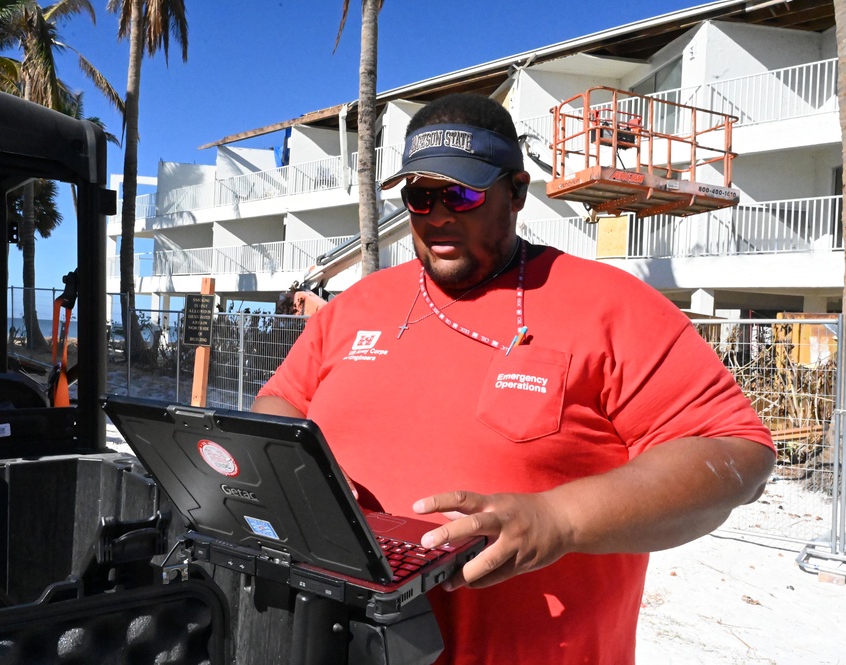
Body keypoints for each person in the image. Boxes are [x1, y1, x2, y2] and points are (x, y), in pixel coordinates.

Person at [252, 93, 775, 665]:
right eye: (420, 197)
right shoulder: (357, 306)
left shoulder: (613, 307)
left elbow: (736, 456)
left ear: (517, 193)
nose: (439, 215)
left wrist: (559, 520)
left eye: (463, 193)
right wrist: (304, 474)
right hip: (338, 644)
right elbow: (280, 400)